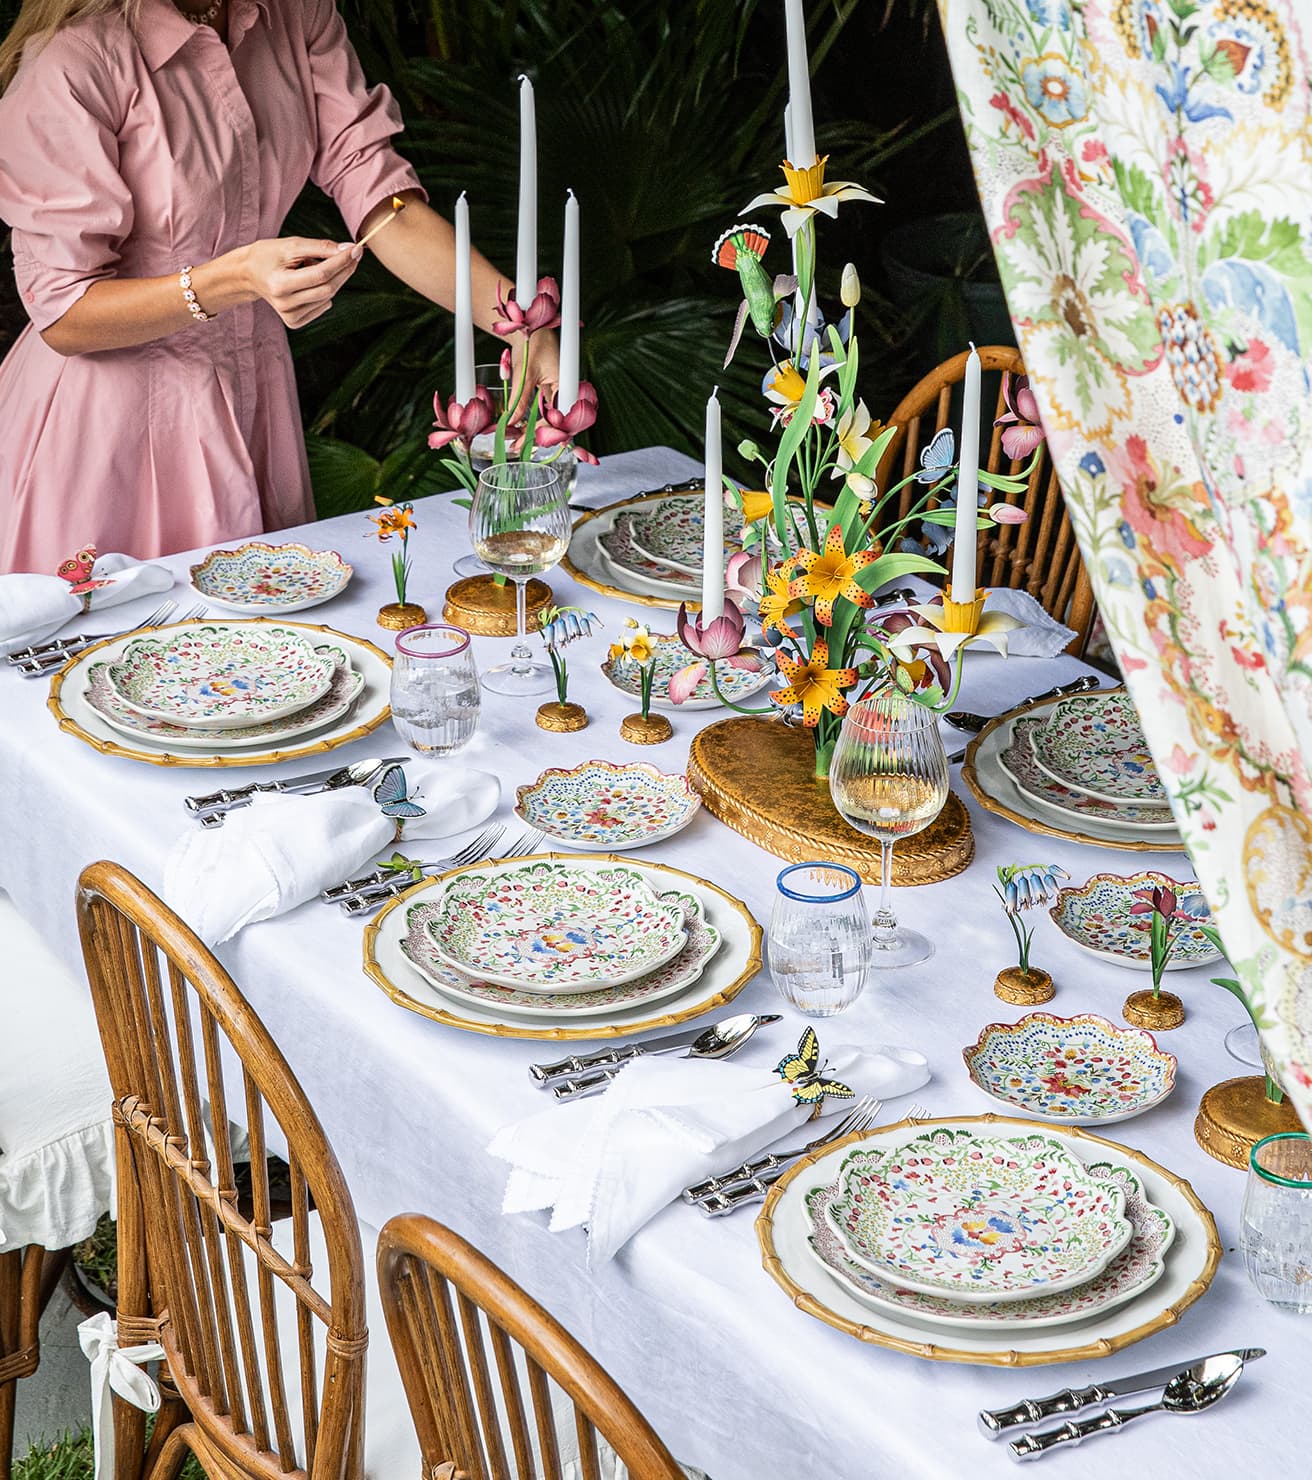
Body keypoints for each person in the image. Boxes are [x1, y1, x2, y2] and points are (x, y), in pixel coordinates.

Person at [0, 0, 557, 573]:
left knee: (269, 651)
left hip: (255, 397)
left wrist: (523, 327)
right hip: (108, 428)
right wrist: (233, 280)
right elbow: (65, 312)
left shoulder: (298, 14)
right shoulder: (74, 61)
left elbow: (381, 196)